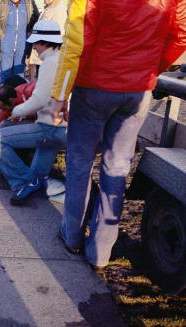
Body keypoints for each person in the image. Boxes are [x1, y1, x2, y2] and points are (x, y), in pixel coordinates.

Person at [49, 0, 185, 271]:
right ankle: (100, 251)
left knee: (79, 163)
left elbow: (76, 41)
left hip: (93, 87)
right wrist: (150, 69)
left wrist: (60, 94)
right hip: (137, 89)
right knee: (117, 169)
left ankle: (72, 235)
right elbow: (181, 34)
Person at [0, 20, 66, 205]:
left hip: (50, 128)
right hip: (63, 125)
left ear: (45, 42)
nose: (34, 47)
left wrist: (15, 111)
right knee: (39, 176)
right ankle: (70, 194)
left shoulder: (50, 62)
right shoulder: (62, 58)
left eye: (36, 43)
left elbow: (40, 100)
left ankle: (23, 183)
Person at [0, 0, 39, 82]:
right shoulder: (2, 4)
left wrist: (28, 31)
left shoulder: (28, 3)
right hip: (6, 44)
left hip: (22, 44)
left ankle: (17, 92)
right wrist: (2, 37)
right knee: (5, 73)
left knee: (19, 73)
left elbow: (36, 15)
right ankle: (5, 91)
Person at [28, 0, 67, 80]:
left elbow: (57, 34)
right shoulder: (49, 8)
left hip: (48, 52)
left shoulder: (59, 10)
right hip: (42, 52)